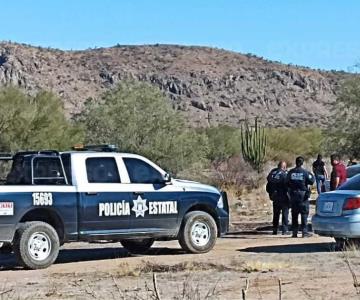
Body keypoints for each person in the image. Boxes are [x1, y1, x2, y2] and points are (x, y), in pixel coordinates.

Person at [287, 156, 315, 238]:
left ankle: (295, 232)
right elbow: (311, 181)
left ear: (296, 162)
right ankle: (304, 232)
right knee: (304, 213)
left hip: (293, 194)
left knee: (294, 214)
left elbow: (286, 182)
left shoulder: (291, 172)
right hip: (303, 195)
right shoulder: (305, 172)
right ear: (302, 163)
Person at [266, 161, 290, 235]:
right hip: (283, 196)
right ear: (284, 167)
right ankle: (284, 230)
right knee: (285, 213)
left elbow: (268, 186)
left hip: (275, 197)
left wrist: (271, 194)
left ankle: (275, 230)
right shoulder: (284, 175)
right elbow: (287, 186)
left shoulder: (272, 174)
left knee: (276, 214)